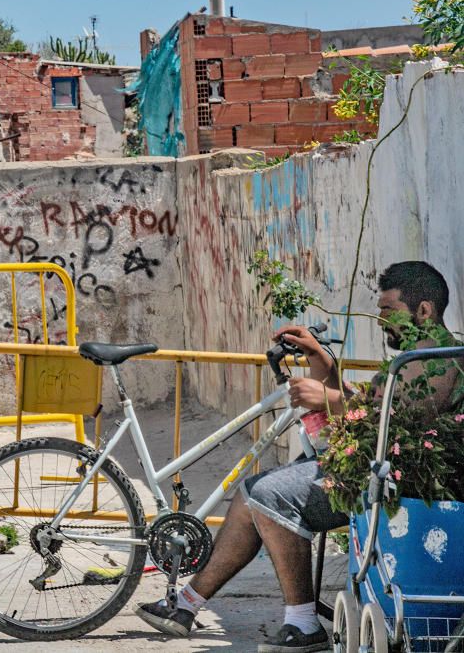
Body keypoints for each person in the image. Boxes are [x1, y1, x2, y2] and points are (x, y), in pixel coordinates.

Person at [135, 261, 460, 653]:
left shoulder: (438, 359)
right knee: (251, 493)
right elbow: (362, 406)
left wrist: (328, 399)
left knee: (271, 494)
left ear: (423, 310)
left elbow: (394, 424)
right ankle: (185, 606)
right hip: (373, 468)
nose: (380, 319)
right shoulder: (413, 355)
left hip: (398, 484)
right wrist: (320, 359)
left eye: (389, 310)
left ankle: (303, 624)